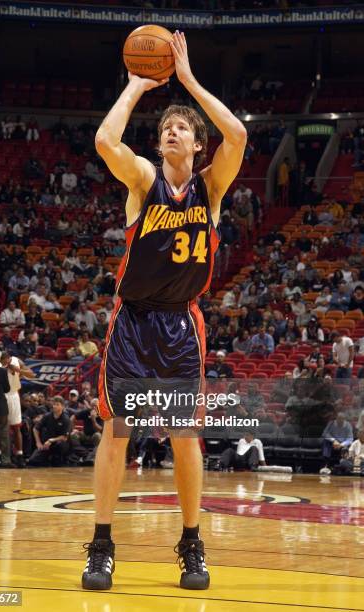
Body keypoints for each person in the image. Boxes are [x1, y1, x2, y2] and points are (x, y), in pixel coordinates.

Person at [81, 30, 246, 592]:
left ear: (198, 145)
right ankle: (101, 546)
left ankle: (192, 545)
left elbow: (239, 132)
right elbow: (106, 140)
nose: (169, 132)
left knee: (183, 435)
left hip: (180, 322)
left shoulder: (212, 189)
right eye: (165, 129)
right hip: (132, 321)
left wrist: (189, 80)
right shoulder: (144, 180)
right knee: (118, 431)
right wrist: (134, 86)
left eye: (180, 129)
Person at [0, 351, 35, 467]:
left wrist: (18, 370)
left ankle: (20, 455)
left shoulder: (16, 361)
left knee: (16, 427)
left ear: (9, 358)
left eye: (6, 361)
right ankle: (2, 456)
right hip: (1, 395)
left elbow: (32, 374)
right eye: (3, 362)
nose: (5, 363)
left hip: (13, 395)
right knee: (2, 427)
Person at [28, 396, 71, 466]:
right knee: (32, 460)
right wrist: (38, 443)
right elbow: (35, 429)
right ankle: (47, 458)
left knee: (61, 445)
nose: (54, 406)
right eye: (54, 404)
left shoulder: (66, 419)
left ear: (63, 407)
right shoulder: (47, 416)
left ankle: (59, 459)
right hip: (46, 444)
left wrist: (52, 440)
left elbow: (64, 437)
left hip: (59, 443)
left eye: (57, 404)